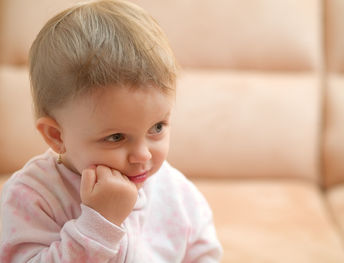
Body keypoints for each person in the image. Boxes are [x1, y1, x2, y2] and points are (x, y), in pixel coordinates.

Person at [0, 0, 222, 262]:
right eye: (116, 137)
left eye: (157, 128)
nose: (143, 155)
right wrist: (100, 224)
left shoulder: (176, 193)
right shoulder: (32, 197)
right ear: (56, 136)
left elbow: (202, 251)